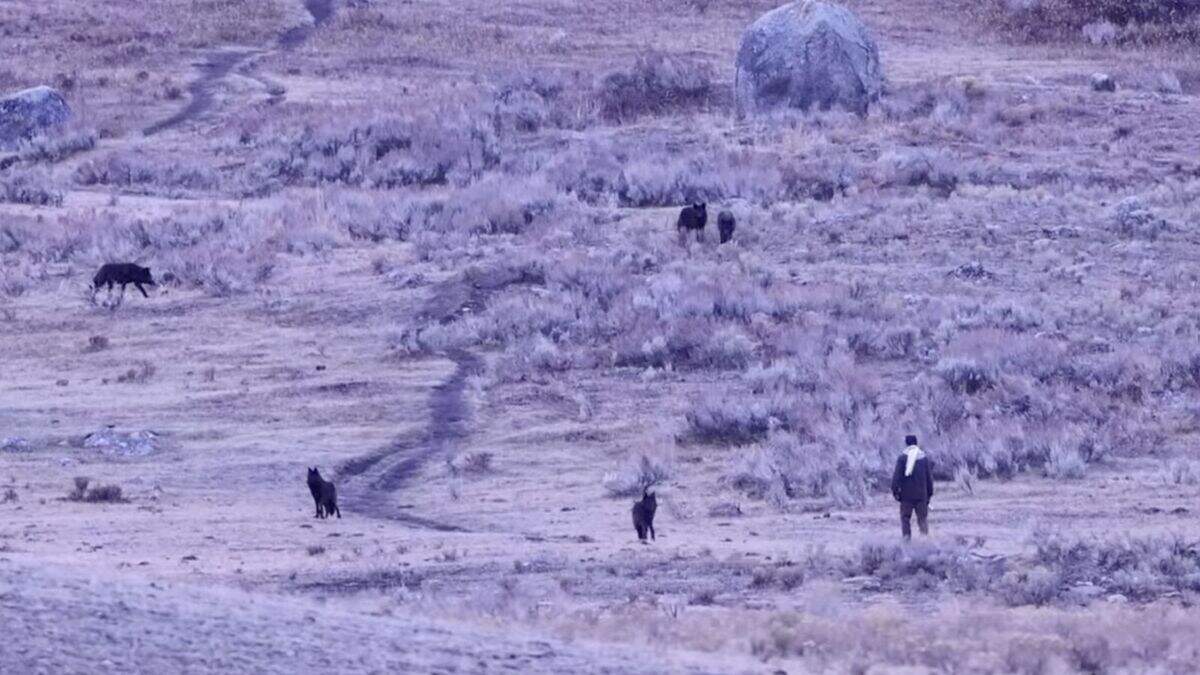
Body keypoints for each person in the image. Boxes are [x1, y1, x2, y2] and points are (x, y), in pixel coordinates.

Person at [891, 434, 933, 540]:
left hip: (906, 496)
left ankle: (907, 542)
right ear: (916, 443)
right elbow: (929, 478)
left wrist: (895, 492)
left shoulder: (902, 458)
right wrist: (929, 494)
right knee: (922, 519)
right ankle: (925, 542)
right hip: (921, 495)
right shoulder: (924, 458)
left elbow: (896, 477)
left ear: (906, 444)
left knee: (905, 519)